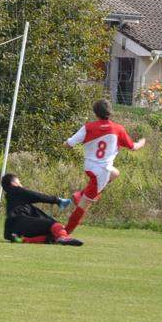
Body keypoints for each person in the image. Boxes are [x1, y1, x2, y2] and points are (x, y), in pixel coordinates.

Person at [62, 99, 145, 234]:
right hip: (101, 172)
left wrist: (65, 143)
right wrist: (142, 142)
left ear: (95, 112)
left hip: (89, 167)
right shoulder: (118, 129)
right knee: (84, 205)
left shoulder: (88, 127)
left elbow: (69, 143)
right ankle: (65, 233)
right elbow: (133, 147)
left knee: (115, 173)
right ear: (110, 111)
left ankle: (79, 195)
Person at [0, 173, 82, 246]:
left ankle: (22, 239)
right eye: (19, 182)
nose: (21, 185)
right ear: (13, 183)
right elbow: (36, 196)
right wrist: (57, 200)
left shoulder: (14, 201)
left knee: (51, 234)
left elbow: (37, 214)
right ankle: (63, 238)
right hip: (21, 223)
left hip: (12, 231)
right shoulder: (16, 190)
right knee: (52, 225)